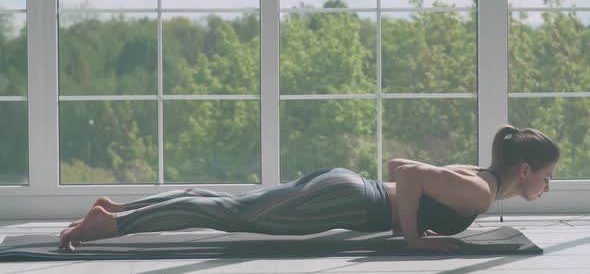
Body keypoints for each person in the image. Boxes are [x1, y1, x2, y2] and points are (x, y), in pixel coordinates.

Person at [59, 124, 560, 253]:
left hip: (347, 188)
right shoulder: (476, 192)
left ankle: (120, 208)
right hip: (345, 199)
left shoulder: (477, 180)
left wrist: (409, 218)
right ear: (523, 168)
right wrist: (411, 237)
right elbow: (405, 175)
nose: (548, 184)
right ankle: (117, 224)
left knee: (232, 207)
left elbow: (400, 164)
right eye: (547, 175)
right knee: (229, 215)